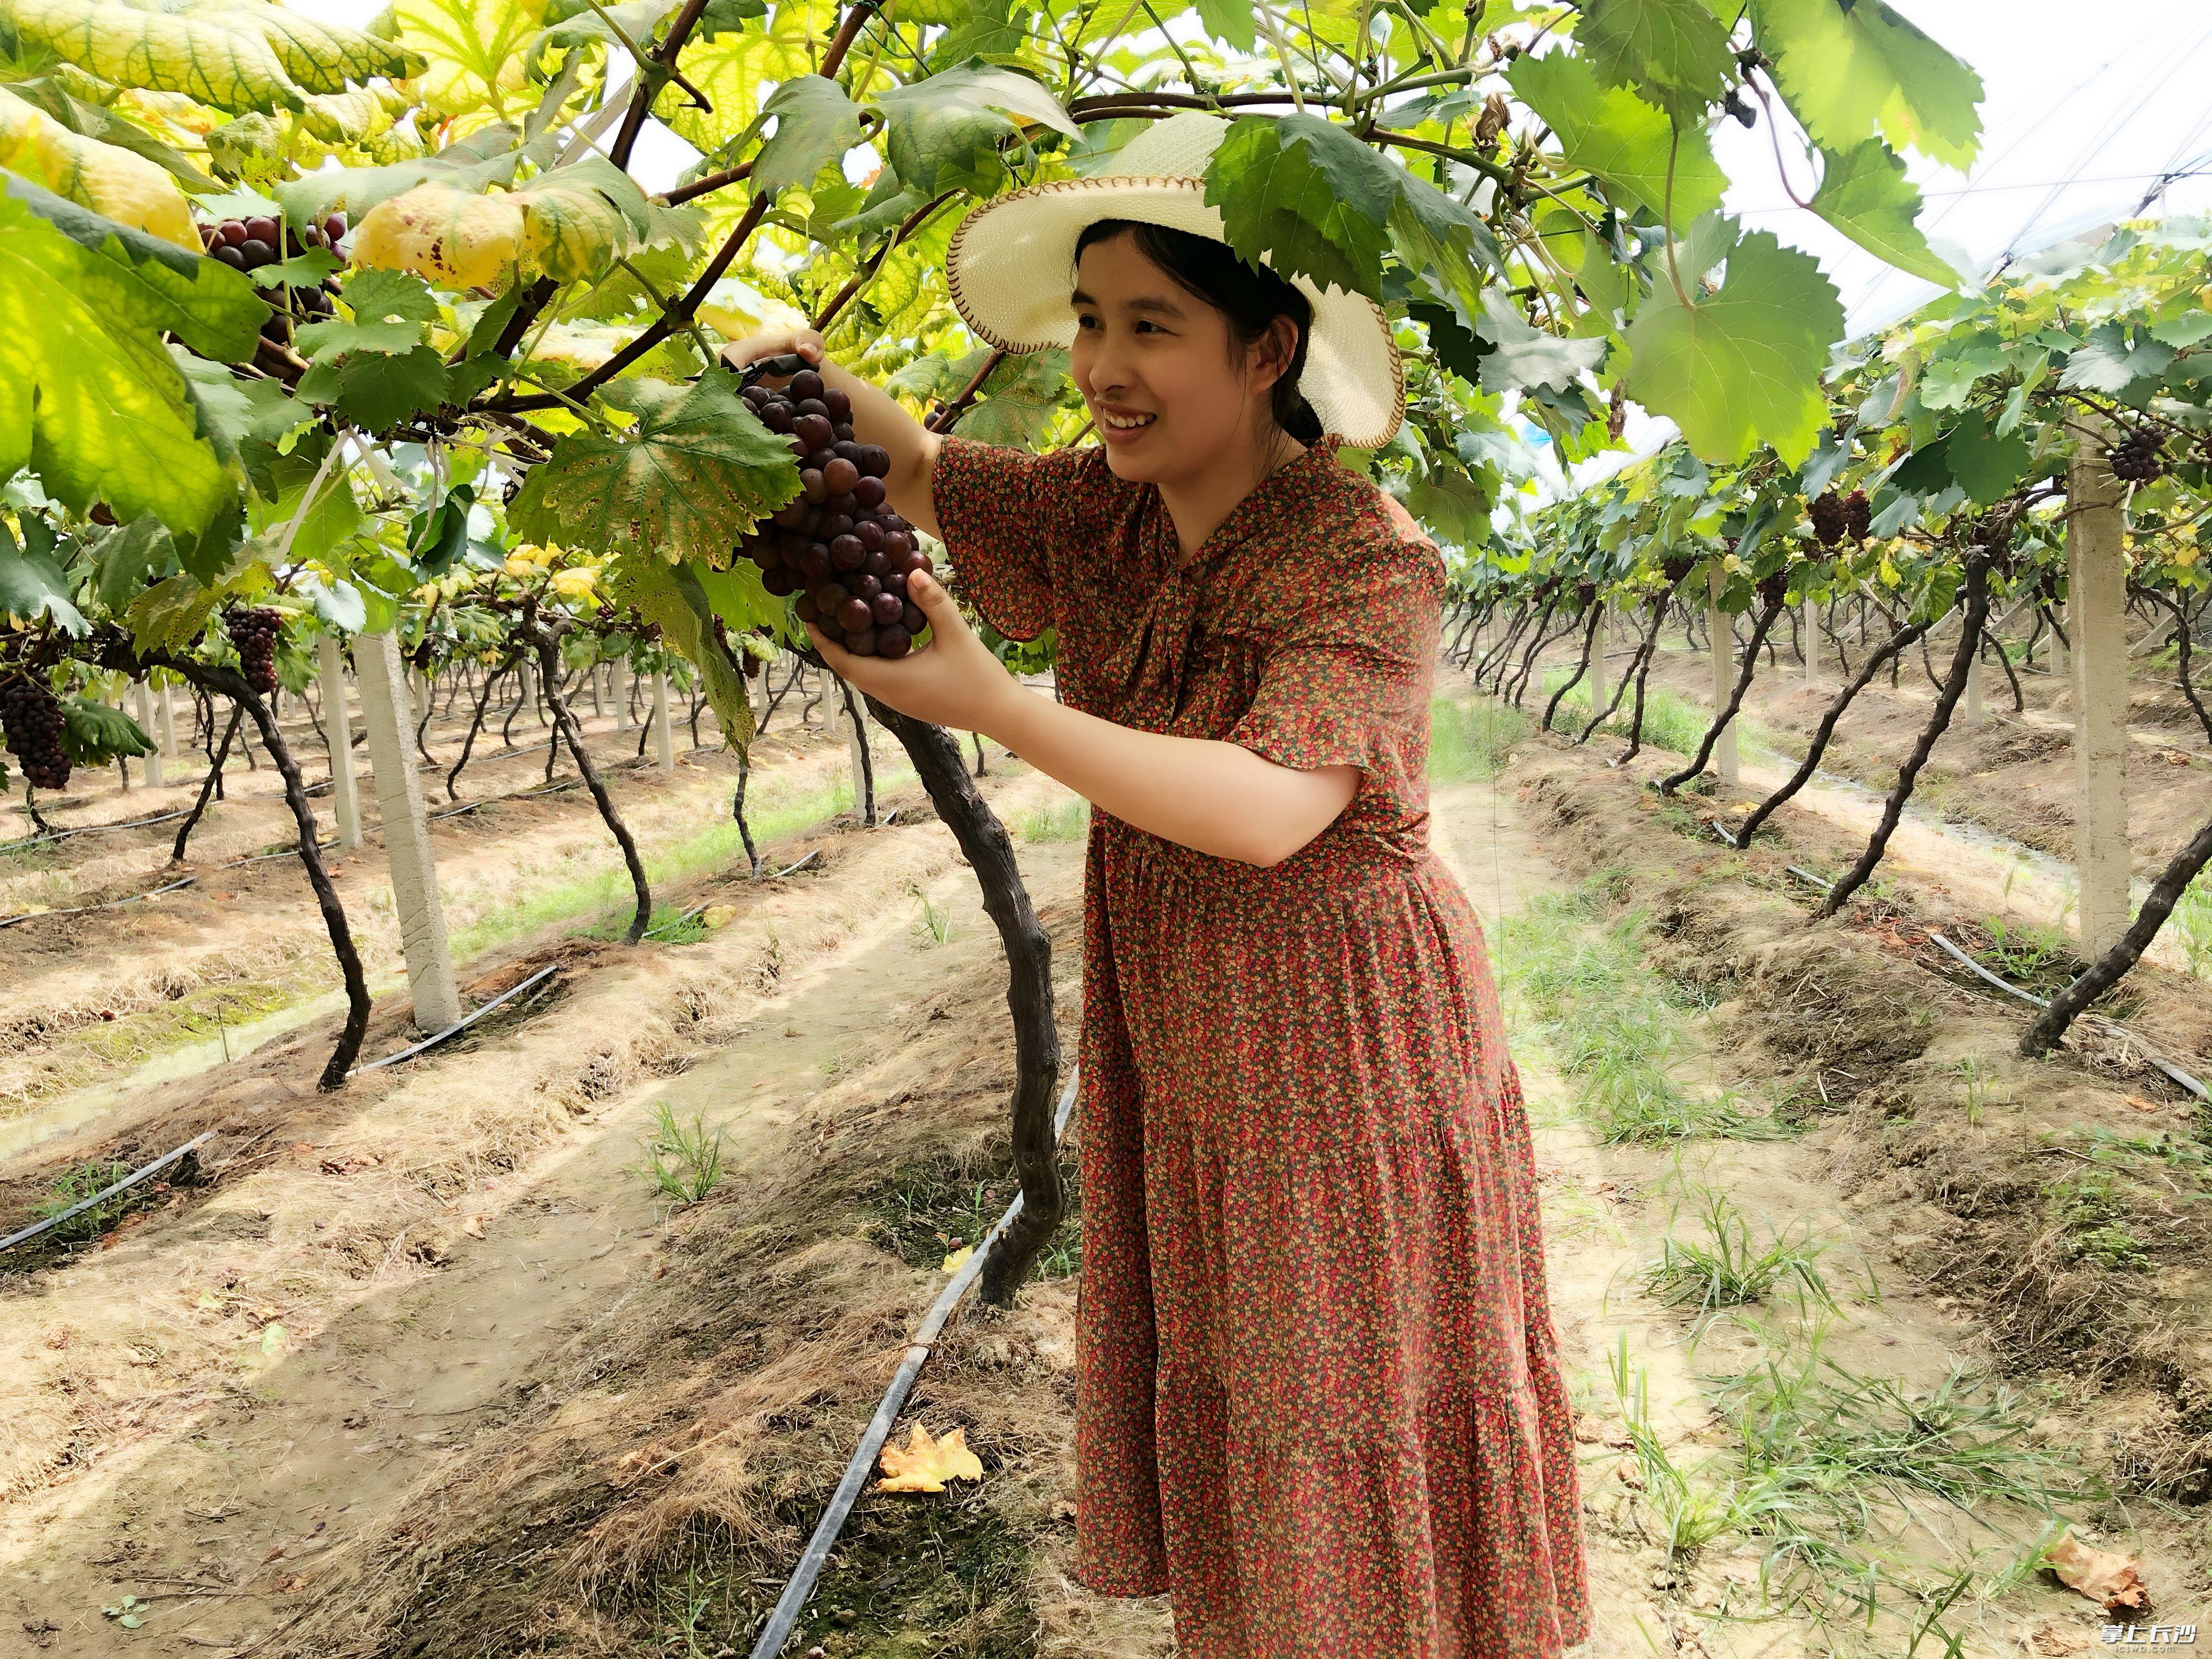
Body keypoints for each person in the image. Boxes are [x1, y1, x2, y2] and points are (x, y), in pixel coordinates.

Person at [721, 111, 1592, 1659]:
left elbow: (1270, 811)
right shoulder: (1103, 511)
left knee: (1342, 1386)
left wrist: (1004, 709)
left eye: (1151, 327)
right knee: (1257, 1385)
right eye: (1088, 324)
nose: (1103, 365)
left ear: (1265, 353)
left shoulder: (1360, 553)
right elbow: (915, 465)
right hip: (1192, 1036)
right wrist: (772, 368)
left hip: (1337, 1050)